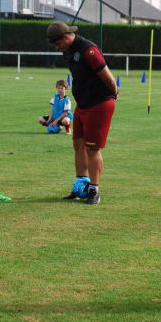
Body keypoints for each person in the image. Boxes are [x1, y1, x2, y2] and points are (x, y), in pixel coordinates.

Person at [47, 21, 119, 205]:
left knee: (92, 149)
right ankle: (81, 185)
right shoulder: (67, 50)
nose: (57, 48)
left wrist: (114, 92)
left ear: (66, 37)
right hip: (83, 105)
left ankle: (94, 190)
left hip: (99, 104)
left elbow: (107, 75)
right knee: (78, 144)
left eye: (58, 44)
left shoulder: (89, 50)